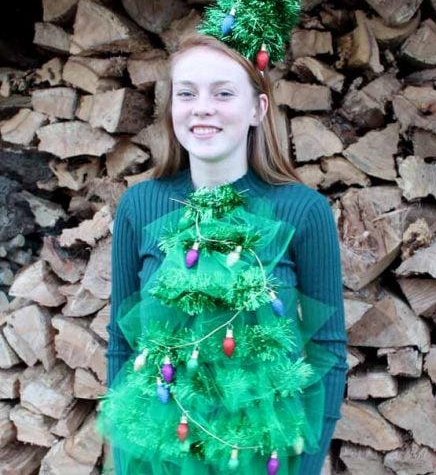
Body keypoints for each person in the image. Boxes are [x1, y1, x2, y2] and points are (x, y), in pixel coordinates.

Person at [101, 33, 347, 474]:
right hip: (160, 461)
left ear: (258, 108)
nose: (202, 108)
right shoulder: (139, 207)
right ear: (171, 106)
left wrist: (305, 466)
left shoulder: (303, 212)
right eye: (187, 93)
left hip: (266, 461)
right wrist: (126, 461)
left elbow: (328, 350)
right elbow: (123, 344)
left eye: (224, 93)